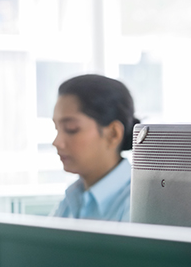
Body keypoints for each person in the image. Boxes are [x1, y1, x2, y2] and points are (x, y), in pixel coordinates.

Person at [50, 74, 139, 222]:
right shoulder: (71, 199)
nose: (57, 142)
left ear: (113, 134)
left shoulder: (138, 207)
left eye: (71, 129)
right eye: (57, 129)